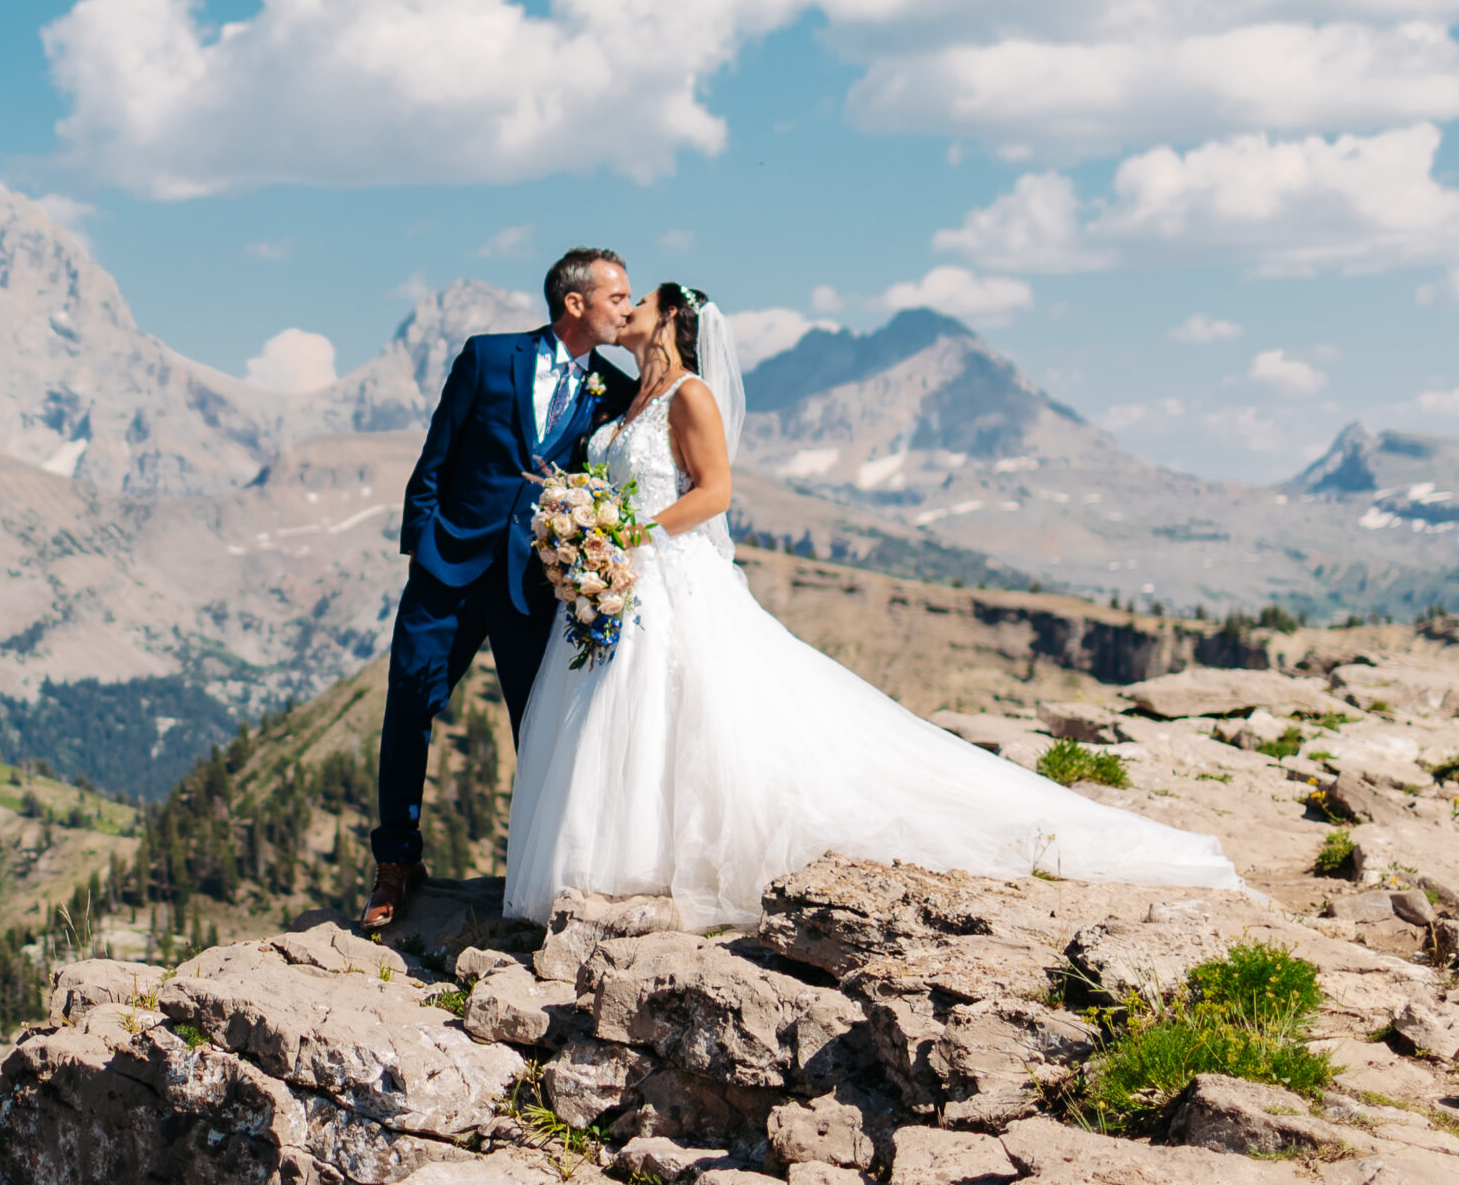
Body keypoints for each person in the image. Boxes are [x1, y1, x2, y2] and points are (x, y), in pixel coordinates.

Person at [502, 282, 1239, 929]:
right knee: (624, 714)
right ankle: (617, 856)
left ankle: (668, 863)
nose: (627, 308)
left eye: (640, 300)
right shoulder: (627, 397)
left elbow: (716, 491)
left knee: (682, 712)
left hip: (669, 573)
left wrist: (631, 532)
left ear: (669, 320)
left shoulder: (691, 394)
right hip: (623, 583)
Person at [362, 248, 639, 930]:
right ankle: (395, 862)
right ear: (575, 302)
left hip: (535, 587)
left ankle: (541, 872)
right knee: (410, 704)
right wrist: (423, 549)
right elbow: (437, 454)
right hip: (447, 569)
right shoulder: (487, 357)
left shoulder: (613, 387)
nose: (627, 309)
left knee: (537, 727)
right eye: (617, 297)